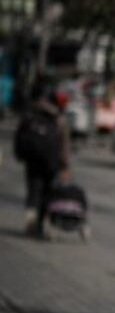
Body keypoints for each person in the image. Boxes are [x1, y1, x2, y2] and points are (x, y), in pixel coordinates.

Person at [13, 85, 71, 238]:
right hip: (51, 162)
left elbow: (20, 135)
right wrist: (64, 165)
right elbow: (63, 144)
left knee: (33, 191)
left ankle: (30, 222)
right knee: (47, 193)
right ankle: (41, 225)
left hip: (32, 160)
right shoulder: (58, 117)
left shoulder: (30, 113)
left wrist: (19, 154)